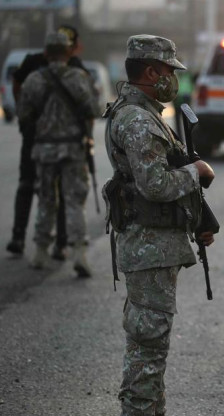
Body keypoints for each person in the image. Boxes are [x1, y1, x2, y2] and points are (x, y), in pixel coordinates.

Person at [103, 34, 216, 415]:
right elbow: (156, 184)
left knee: (149, 346)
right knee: (148, 349)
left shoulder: (142, 112)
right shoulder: (138, 119)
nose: (173, 78)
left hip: (153, 245)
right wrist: (196, 173)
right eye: (169, 70)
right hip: (149, 248)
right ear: (151, 71)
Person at [17, 32, 99, 276]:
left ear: (46, 53)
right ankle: (79, 254)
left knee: (45, 199)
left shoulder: (33, 80)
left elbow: (23, 114)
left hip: (44, 148)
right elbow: (91, 110)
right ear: (69, 52)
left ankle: (41, 251)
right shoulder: (79, 77)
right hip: (72, 148)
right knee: (74, 200)